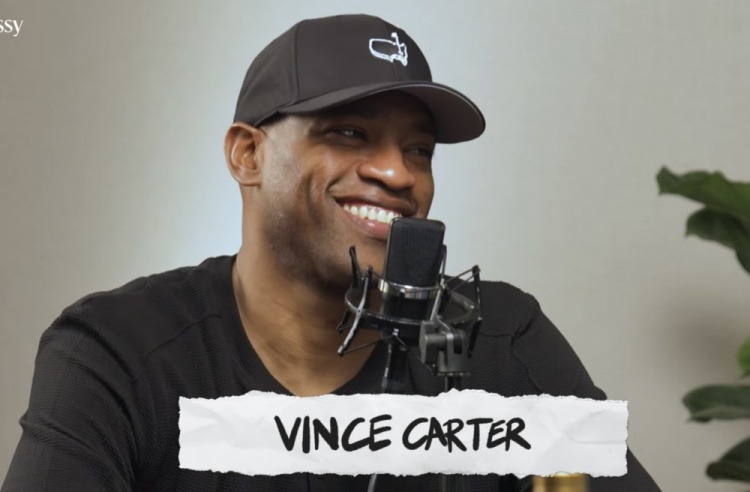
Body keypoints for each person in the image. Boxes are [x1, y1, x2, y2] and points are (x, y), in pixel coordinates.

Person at [2, 14, 661, 492]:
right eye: (349, 133)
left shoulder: (499, 339)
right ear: (248, 154)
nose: (398, 174)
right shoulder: (120, 352)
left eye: (419, 150)